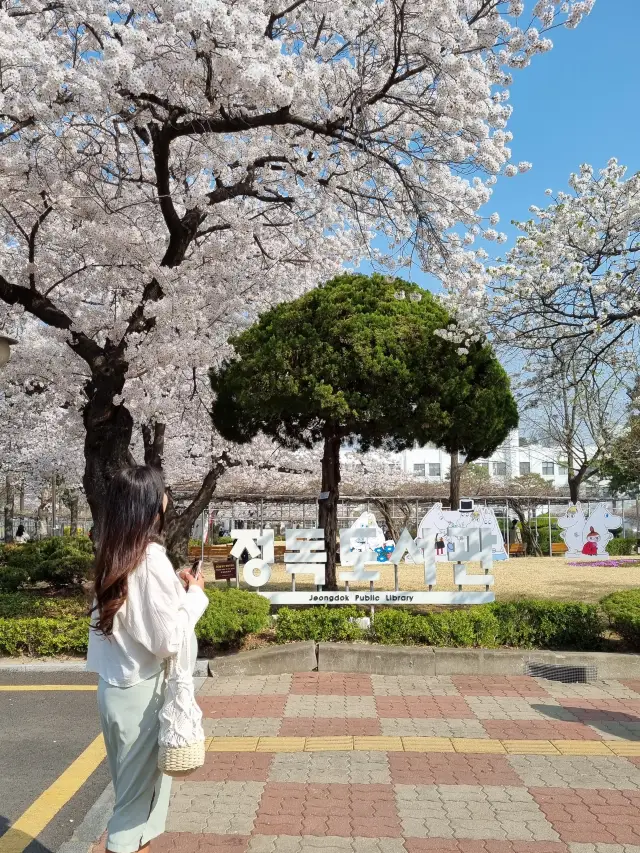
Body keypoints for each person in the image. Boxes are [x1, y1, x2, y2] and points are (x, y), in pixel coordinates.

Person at [87, 466, 209, 853]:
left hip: (114, 689)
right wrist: (194, 597)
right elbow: (169, 639)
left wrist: (172, 588)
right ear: (151, 504)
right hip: (142, 693)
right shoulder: (150, 558)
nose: (167, 498)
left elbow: (136, 614)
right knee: (134, 813)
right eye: (162, 492)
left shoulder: (114, 552)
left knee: (133, 800)